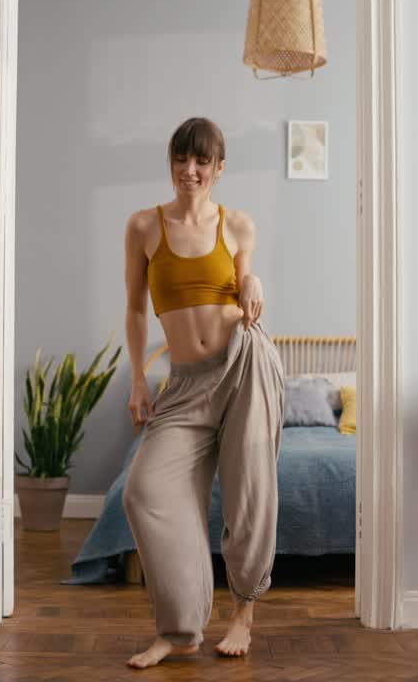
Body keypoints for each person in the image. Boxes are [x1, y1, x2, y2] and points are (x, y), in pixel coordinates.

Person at [121, 117, 284, 669]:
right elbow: (135, 308)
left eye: (202, 162)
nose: (190, 171)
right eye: (181, 160)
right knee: (144, 491)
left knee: (249, 491)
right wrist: (140, 378)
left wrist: (254, 282)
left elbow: (245, 287)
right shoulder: (144, 226)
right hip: (186, 385)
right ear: (171, 163)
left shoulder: (237, 224)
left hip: (243, 365)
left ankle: (243, 612)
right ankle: (181, 627)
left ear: (219, 167)